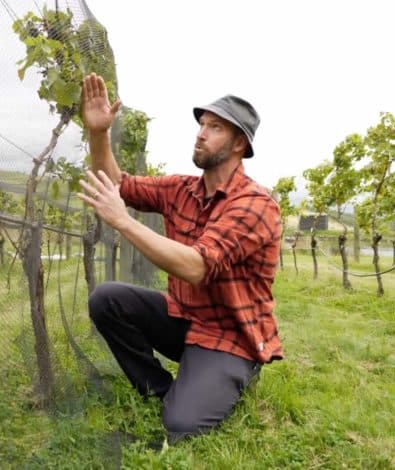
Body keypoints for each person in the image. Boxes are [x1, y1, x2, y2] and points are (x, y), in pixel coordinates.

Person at [78, 73, 284, 444]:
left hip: (230, 335)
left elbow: (197, 266)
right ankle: (161, 389)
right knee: (107, 299)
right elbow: (117, 184)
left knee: (182, 426)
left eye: (215, 127)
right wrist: (98, 134)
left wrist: (123, 221)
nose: (201, 133)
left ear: (240, 143)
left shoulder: (255, 205)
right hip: (186, 318)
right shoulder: (180, 189)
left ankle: (236, 373)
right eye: (201, 124)